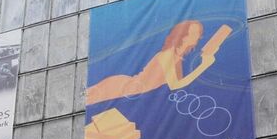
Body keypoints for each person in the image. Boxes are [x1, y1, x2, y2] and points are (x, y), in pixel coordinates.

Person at [86, 21, 231, 106]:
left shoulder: (177, 57)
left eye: (199, 33)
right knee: (86, 100)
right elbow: (175, 85)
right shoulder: (167, 55)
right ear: (183, 35)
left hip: (130, 89)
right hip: (122, 87)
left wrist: (206, 58)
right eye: (194, 33)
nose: (198, 36)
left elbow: (178, 84)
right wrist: (204, 66)